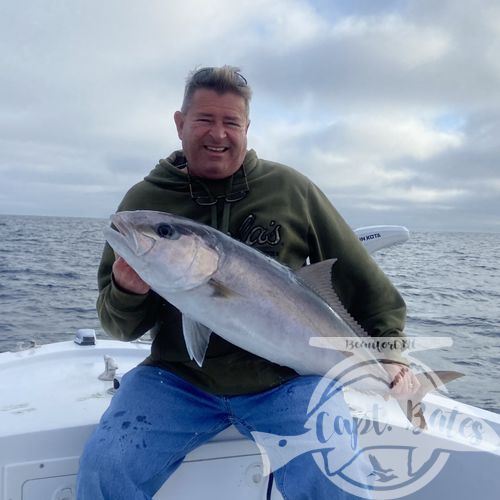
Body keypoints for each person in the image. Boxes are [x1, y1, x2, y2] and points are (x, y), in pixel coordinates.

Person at [76, 65, 419, 499]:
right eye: (204, 119)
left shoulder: (291, 189)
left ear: (247, 128)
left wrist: (390, 352)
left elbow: (361, 278)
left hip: (287, 381)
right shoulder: (145, 204)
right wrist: (128, 291)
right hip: (177, 379)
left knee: (335, 480)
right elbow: (119, 328)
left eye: (230, 122)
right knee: (108, 467)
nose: (217, 133)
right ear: (180, 124)